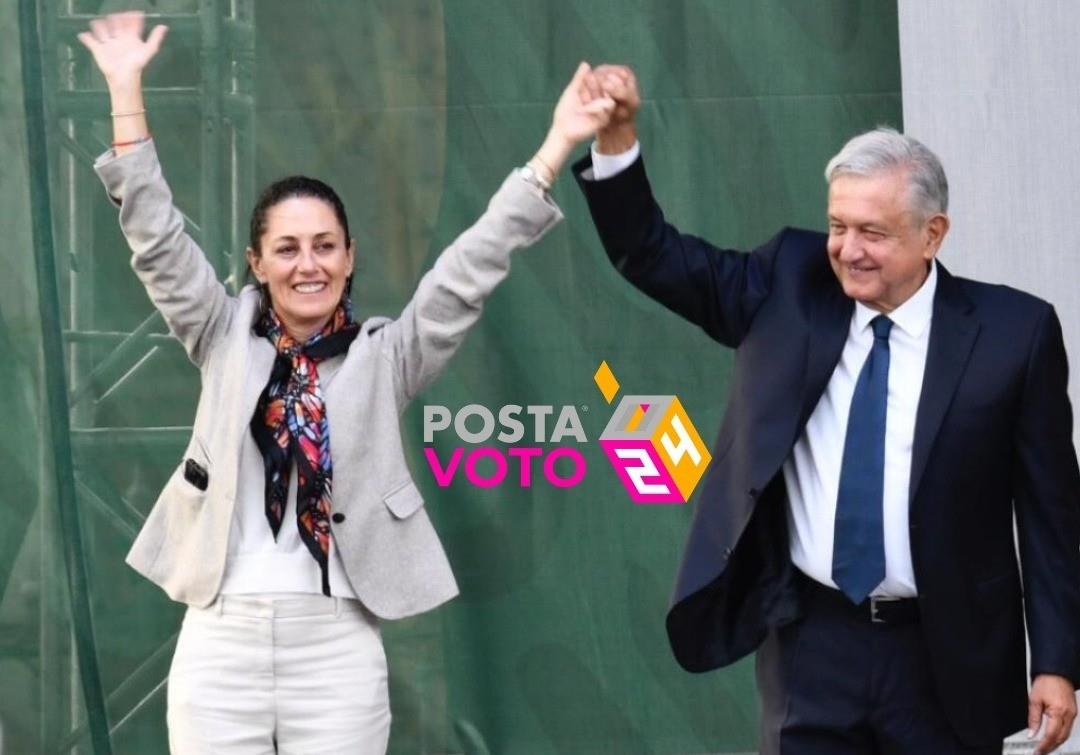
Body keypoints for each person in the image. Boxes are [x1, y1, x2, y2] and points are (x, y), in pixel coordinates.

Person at [78, 11, 615, 753]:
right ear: (257, 262)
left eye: (325, 246)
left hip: (336, 647)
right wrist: (124, 90)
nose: (309, 264)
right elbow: (156, 238)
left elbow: (470, 266)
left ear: (350, 257)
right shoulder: (219, 329)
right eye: (288, 248)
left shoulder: (386, 354)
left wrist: (556, 145)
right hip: (220, 639)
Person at [569, 64, 1080, 754]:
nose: (847, 249)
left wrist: (1056, 660)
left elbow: (1052, 516)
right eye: (838, 225)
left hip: (948, 650)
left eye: (873, 231)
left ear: (933, 234)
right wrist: (617, 137)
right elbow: (651, 253)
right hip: (812, 644)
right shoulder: (789, 282)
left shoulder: (1015, 334)